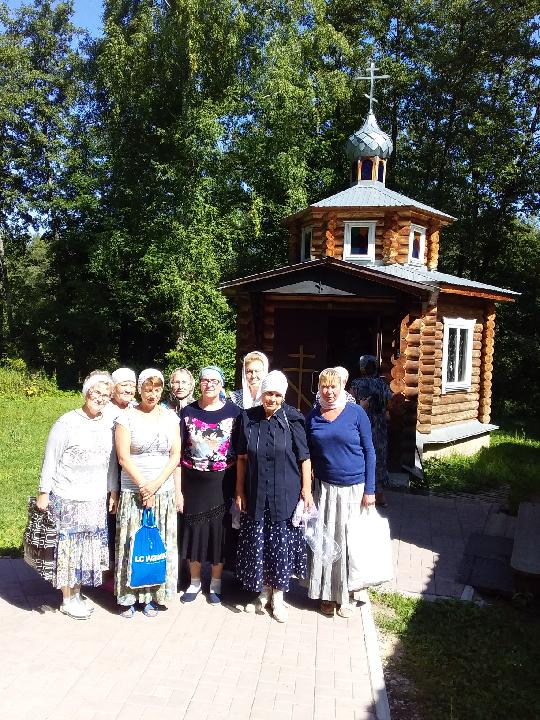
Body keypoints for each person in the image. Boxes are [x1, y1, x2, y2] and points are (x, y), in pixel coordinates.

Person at [35, 371, 117, 620]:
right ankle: (67, 599)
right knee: (68, 550)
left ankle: (77, 592)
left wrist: (113, 490)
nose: (100, 398)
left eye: (105, 395)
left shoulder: (108, 424)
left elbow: (112, 463)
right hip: (67, 496)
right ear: (86, 392)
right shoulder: (66, 423)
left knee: (85, 550)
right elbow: (50, 459)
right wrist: (43, 492)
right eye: (96, 392)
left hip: (94, 498)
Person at [235, 370, 313, 623]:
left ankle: (278, 598)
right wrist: (239, 491)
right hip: (256, 493)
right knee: (260, 544)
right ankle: (263, 593)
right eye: (269, 393)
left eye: (278, 395)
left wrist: (306, 490)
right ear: (262, 394)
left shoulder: (293, 418)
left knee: (280, 546)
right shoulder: (248, 418)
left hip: (284, 495)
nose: (272, 399)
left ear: (283, 396)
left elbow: (304, 458)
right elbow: (241, 459)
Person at [306, 368, 376, 618]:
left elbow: (370, 451)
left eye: (333, 386)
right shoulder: (313, 415)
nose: (329, 391)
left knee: (349, 542)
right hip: (325, 488)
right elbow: (307, 453)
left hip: (354, 488)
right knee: (326, 542)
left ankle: (345, 595)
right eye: (324, 386)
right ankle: (326, 594)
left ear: (342, 387)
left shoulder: (356, 413)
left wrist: (370, 489)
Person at [114, 368, 181, 618]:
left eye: (157, 389)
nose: (152, 394)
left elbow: (175, 455)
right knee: (133, 545)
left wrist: (156, 484)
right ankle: (129, 597)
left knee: (157, 546)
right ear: (140, 390)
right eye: (147, 389)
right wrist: (143, 485)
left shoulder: (170, 417)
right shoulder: (126, 418)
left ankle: (153, 596)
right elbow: (123, 457)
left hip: (162, 491)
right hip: (134, 491)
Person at [178, 365, 241, 605]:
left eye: (214, 380)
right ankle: (194, 582)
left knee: (218, 532)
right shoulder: (188, 412)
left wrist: (238, 489)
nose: (209, 384)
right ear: (200, 383)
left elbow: (241, 453)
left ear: (221, 384)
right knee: (193, 530)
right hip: (193, 481)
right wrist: (179, 489)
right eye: (205, 380)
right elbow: (178, 450)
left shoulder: (235, 413)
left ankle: (215, 582)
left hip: (222, 482)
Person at [103, 367, 137, 577]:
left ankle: (123, 569)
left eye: (132, 385)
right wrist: (112, 488)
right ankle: (109, 570)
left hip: (131, 474)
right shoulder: (104, 411)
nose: (129, 389)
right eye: (124, 384)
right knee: (110, 521)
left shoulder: (135, 409)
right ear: (113, 387)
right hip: (109, 473)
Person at [349, 355, 393, 507]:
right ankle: (379, 495)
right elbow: (389, 402)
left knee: (362, 456)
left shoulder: (357, 384)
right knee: (379, 458)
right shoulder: (382, 384)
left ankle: (363, 493)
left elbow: (349, 403)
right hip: (380, 426)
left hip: (362, 425)